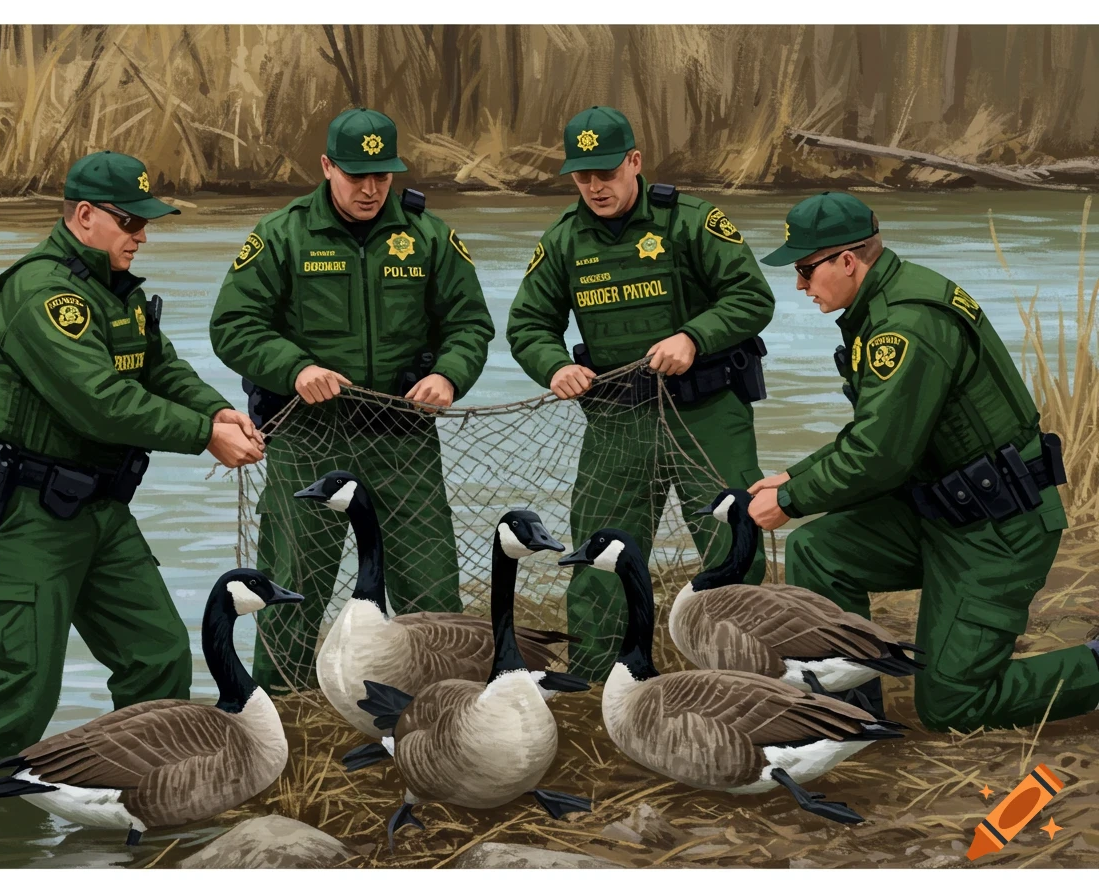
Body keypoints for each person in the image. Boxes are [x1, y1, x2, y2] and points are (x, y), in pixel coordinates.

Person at [0, 150, 264, 769]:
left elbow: (161, 368)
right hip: (24, 515)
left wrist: (218, 410)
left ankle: (138, 789)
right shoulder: (42, 294)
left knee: (158, 655)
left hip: (99, 508)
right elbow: (101, 404)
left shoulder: (116, 292)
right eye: (130, 222)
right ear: (85, 215)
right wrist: (204, 434)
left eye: (146, 223)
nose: (141, 236)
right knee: (21, 688)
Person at [749, 190, 1099, 730]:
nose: (800, 285)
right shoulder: (883, 304)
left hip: (997, 532)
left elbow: (879, 457)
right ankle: (851, 713)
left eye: (805, 269)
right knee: (819, 551)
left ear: (848, 261)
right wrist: (795, 475)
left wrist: (791, 499)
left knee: (952, 706)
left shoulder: (905, 325)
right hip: (941, 511)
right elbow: (874, 432)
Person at [210, 107, 495, 694]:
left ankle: (441, 710)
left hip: (404, 439)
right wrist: (295, 368)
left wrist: (448, 376)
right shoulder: (282, 234)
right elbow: (233, 326)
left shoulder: (428, 236)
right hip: (309, 438)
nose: (370, 190)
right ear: (326, 167)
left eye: (381, 176)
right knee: (290, 587)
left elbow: (469, 324)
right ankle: (281, 710)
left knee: (431, 589)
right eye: (356, 176)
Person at [506, 105, 775, 679]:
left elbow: (752, 297)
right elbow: (528, 326)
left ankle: (748, 673)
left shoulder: (691, 221)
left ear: (635, 161)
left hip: (706, 411)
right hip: (616, 421)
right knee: (598, 553)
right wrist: (555, 367)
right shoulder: (563, 241)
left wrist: (694, 337)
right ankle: (600, 679)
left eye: (606, 172)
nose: (596, 187)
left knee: (734, 541)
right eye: (583, 176)